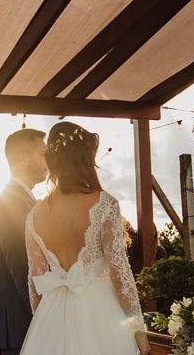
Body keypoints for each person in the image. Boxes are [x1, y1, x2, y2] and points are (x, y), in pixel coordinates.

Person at [21, 122, 150, 355]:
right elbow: (120, 275)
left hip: (53, 313)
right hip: (102, 313)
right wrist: (138, 330)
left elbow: (35, 280)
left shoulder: (34, 216)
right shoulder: (104, 204)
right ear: (85, 160)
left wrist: (44, 325)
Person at [0, 128, 47, 355]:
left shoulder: (27, 199)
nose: (47, 160)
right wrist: (43, 311)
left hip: (24, 321)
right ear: (22, 157)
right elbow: (20, 264)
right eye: (42, 153)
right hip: (20, 321)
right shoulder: (7, 200)